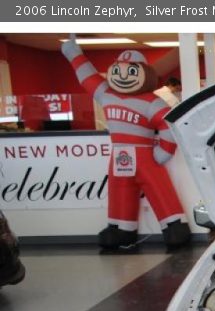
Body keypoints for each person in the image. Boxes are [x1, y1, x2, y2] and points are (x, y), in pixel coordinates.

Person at [61, 36, 190, 250]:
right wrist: (73, 52)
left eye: (130, 72)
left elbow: (170, 124)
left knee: (159, 188)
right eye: (118, 71)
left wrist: (163, 151)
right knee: (119, 189)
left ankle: (175, 226)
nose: (122, 77)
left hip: (145, 156)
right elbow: (87, 76)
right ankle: (121, 229)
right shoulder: (106, 94)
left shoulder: (151, 102)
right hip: (120, 153)